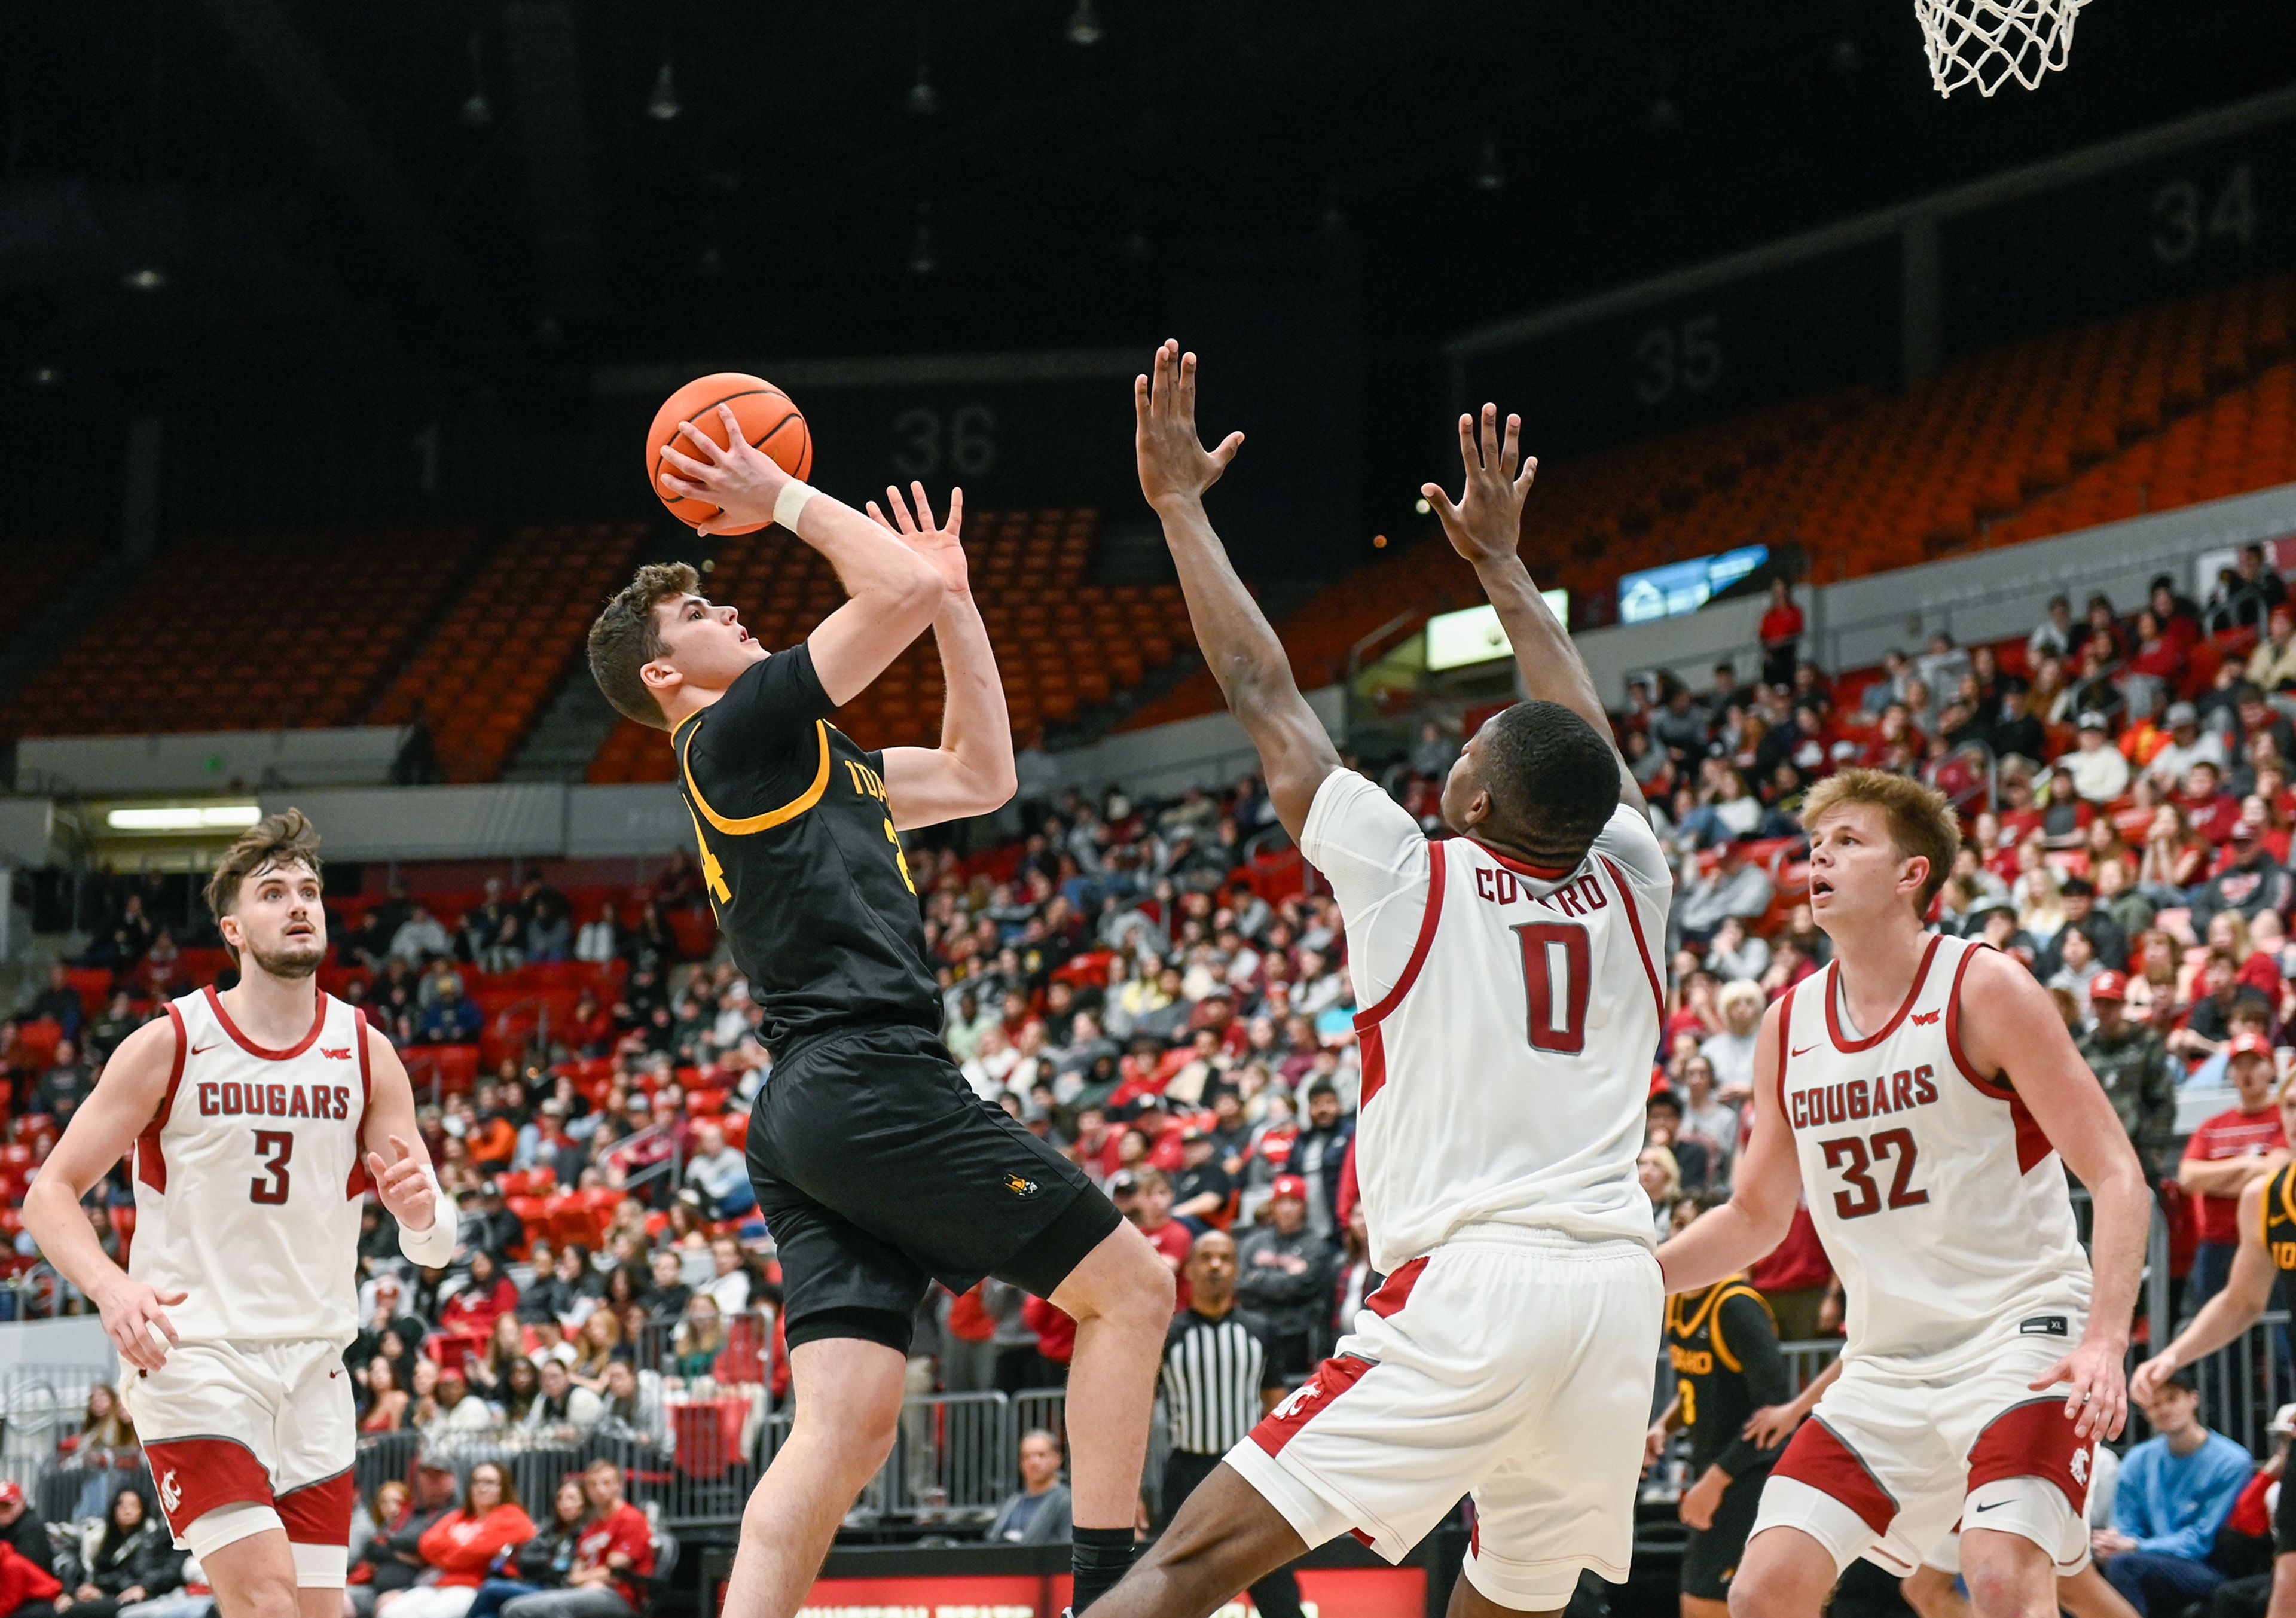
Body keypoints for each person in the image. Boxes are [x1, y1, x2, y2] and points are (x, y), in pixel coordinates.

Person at [1094, 381, 1670, 1618]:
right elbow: (1586, 745)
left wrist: (1181, 509)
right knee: (1514, 1596)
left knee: (1190, 1566)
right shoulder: (1634, 879)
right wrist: (1507, 569)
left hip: (1476, 1284)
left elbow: (1263, 690)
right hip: (1618, 1294)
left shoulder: (1411, 873)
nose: (1455, 752)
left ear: (1472, 805)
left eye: (1466, 751)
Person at [590, 431, 1168, 1618]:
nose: (731, 603)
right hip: (867, 1080)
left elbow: (981, 775)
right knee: (1135, 1291)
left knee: (845, 1428)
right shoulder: (733, 731)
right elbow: (887, 587)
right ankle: (1119, 1595)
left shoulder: (807, 757)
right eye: (701, 606)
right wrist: (784, 497)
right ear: (664, 676)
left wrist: (956, 603)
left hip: (807, 1111)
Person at [1656, 767, 2150, 1618]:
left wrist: (2106, 1339)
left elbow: (2117, 1172)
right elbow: (1755, 1215)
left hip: (2019, 1328)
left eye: (1849, 841)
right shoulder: (1788, 1023)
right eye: (1815, 845)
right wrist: (1625, 1274)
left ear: (1912, 872)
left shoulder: (1983, 985)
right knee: (1763, 1591)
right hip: (1885, 1360)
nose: (1821, 858)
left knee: (1999, 1573)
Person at [22, 811, 454, 1618]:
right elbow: (48, 1192)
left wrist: (425, 1219)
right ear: (233, 927)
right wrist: (113, 1288)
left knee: (322, 1610)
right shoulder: (173, 1039)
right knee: (263, 1599)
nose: (299, 905)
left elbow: (434, 1246)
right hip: (197, 1355)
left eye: (309, 891)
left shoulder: (366, 1051)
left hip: (315, 1365)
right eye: (273, 892)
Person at [2132, 1071, 2296, 1618]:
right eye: (2291, 1105)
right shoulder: (2267, 1198)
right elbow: (2241, 1301)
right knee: (2287, 1587)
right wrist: (2173, 1355)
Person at [1649, 1201, 1793, 1618]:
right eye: (1677, 1224)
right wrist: (1664, 1426)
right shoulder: (1677, 1302)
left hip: (1751, 1473)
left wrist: (1716, 1481)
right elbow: (1706, 1381)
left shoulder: (1736, 1306)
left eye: (1693, 1225)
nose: (1682, 1235)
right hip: (1712, 1469)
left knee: (1712, 1605)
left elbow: (1777, 1408)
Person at [1151, 1233, 1299, 1614]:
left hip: (1248, 1473)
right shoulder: (1168, 1335)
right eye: (1206, 1258)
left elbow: (1276, 1409)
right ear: (1190, 1270)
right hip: (1186, 1474)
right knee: (1179, 1590)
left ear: (1236, 1269)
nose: (1215, 1265)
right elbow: (1143, 1415)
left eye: (1225, 1258)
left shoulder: (1260, 1331)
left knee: (1276, 1586)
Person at [2092, 1370, 2252, 1614]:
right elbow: (2125, 1523)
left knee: (2125, 1565)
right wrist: (2113, 1544)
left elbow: (2202, 1540)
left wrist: (2136, 1546)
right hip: (2146, 1558)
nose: (2164, 1409)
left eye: (2172, 1398)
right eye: (2154, 1404)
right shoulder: (2137, 1459)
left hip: (2207, 1566)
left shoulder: (2232, 1461)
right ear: (2145, 1413)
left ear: (2193, 1399)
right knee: (2083, 1565)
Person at [2176, 1033, 2287, 1312]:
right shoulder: (2212, 1125)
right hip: (2216, 1244)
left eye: (2255, 1062)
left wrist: (2213, 1179)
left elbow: (2274, 1172)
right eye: (2239, 1064)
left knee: (2278, 1335)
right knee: (2215, 1333)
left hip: (2268, 1239)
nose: (2247, 1071)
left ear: (2272, 1068)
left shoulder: (2285, 1117)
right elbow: (2188, 1177)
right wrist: (2247, 1164)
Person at [496, 1463, 654, 1618]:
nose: (599, 1489)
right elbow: (578, 1568)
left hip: (619, 1596)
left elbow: (615, 1572)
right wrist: (583, 1578)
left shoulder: (631, 1519)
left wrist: (581, 1578)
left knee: (519, 1610)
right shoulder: (593, 1525)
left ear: (619, 1486)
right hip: (584, 1590)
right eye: (592, 1485)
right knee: (512, 1607)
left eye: (606, 1483)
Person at [380, 1466, 534, 1618]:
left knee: (429, 1615)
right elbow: (426, 1544)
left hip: (474, 1587)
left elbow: (475, 1552)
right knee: (390, 1612)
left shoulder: (513, 1517)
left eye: (490, 1482)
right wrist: (461, 1551)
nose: (482, 1488)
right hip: (437, 1584)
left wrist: (448, 1552)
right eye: (476, 1482)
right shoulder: (458, 1515)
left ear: (503, 1487)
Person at [2074, 974, 2178, 1185]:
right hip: (2097, 1152)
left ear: (2122, 1004)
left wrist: (2156, 1147)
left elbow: (2161, 1098)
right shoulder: (2083, 1050)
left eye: (2111, 1004)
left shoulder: (2147, 1042)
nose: (2104, 1011)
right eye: (2099, 1003)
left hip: (2141, 1149)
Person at [463, 1476, 587, 1618]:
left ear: (584, 1503)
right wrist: (544, 1563)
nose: (565, 1504)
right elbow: (525, 1559)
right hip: (532, 1584)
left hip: (556, 1592)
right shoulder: (547, 1528)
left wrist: (540, 1564)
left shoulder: (585, 1532)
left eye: (572, 1499)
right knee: (487, 1615)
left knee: (490, 1588)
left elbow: (560, 1572)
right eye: (560, 1499)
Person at [55, 1488, 181, 1618]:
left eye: (134, 1506)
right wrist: (71, 1593)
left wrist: (102, 1591)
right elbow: (84, 1570)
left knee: (75, 1613)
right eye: (122, 1505)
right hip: (106, 1591)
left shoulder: (150, 1538)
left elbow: (137, 1574)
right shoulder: (100, 1537)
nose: (127, 1511)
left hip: (131, 1593)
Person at [988, 1431, 1075, 1546]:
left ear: (1057, 1458)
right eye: (1027, 1456)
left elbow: (1067, 1545)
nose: (1034, 1462)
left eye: (1041, 1455)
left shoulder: (1065, 1501)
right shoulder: (1014, 1502)